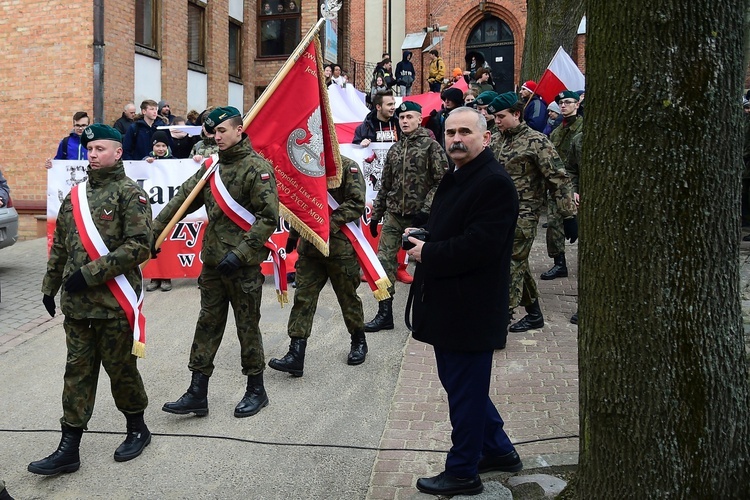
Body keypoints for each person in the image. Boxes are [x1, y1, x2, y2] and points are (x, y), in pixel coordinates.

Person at [405, 107, 522, 496]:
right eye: (450, 132)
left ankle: (462, 472)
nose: (456, 138)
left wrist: (429, 253)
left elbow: (481, 246)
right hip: (450, 306)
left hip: (469, 308)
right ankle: (499, 452)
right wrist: (425, 233)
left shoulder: (493, 182)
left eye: (465, 132)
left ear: (485, 138)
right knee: (465, 388)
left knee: (465, 392)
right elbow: (457, 225)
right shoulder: (460, 175)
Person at [30, 124, 153, 476]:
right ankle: (69, 447)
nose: (93, 154)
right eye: (90, 149)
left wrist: (90, 274)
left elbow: (139, 246)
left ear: (117, 152)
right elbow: (61, 247)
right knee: (77, 375)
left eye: (100, 148)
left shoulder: (130, 194)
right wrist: (49, 286)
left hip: (114, 306)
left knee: (121, 371)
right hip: (78, 309)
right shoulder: (76, 196)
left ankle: (137, 429)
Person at [156, 107, 279, 419]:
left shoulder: (257, 169)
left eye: (223, 131)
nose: (217, 137)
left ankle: (256, 389)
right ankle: (197, 392)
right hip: (212, 264)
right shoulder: (211, 170)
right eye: (213, 132)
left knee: (247, 327)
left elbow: (267, 219)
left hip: (243, 266)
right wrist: (150, 236)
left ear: (239, 130)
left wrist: (239, 254)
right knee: (207, 324)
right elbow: (180, 201)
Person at [269, 156, 367, 377]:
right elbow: (302, 206)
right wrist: (294, 235)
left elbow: (356, 203)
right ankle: (296, 353)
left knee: (348, 297)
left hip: (339, 248)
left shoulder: (348, 167)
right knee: (303, 299)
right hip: (311, 250)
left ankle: (358, 341)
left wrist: (327, 226)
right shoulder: (308, 169)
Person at [487, 92, 577, 334]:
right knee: (519, 264)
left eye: (501, 117)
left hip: (524, 214)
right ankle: (535, 315)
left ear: (516, 114)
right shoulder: (495, 141)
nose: (497, 121)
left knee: (509, 264)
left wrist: (569, 216)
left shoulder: (537, 142)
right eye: (494, 116)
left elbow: (559, 179)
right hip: (496, 214)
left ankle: (499, 321)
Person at [366, 101, 449, 332]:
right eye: (401, 118)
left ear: (419, 119)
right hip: (394, 215)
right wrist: (377, 215)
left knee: (429, 265)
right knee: (383, 261)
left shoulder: (431, 147)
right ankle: (385, 312)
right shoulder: (395, 149)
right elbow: (385, 185)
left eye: (409, 117)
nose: (404, 121)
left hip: (422, 219)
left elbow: (442, 182)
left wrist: (426, 209)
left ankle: (433, 313)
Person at [542, 90, 583, 281]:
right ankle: (559, 263)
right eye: (561, 103)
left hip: (576, 186)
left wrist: (577, 190)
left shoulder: (582, 129)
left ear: (577, 104)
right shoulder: (557, 132)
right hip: (558, 185)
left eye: (568, 102)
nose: (563, 105)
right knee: (553, 224)